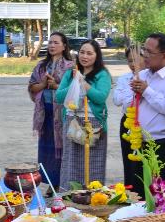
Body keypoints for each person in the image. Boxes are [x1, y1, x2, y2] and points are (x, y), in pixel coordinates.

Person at [55, 40, 112, 189]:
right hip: (72, 122)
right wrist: (74, 81)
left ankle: (93, 195)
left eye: (89, 53)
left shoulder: (102, 74)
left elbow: (100, 98)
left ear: (96, 55)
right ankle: (70, 195)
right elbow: (59, 97)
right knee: (71, 160)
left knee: (93, 163)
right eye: (82, 52)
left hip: (93, 125)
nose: (84, 56)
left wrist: (84, 83)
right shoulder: (70, 73)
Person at [130, 33, 165, 183]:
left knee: (161, 196)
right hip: (140, 142)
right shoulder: (142, 75)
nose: (144, 55)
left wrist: (147, 91)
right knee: (139, 194)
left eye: (149, 52)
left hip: (164, 144)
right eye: (144, 51)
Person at [28, 32, 74, 191]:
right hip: (45, 113)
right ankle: (48, 181)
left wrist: (56, 85)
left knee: (61, 149)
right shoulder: (41, 66)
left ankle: (59, 182)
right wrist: (43, 83)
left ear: (64, 46)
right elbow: (32, 87)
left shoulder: (71, 66)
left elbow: (74, 90)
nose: (52, 45)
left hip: (62, 115)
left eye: (56, 42)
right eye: (50, 42)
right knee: (46, 150)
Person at [112, 47, 140, 195]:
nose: (133, 64)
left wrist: (128, 94)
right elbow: (117, 100)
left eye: (137, 60)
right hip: (127, 120)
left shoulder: (149, 78)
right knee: (129, 161)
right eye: (130, 61)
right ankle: (130, 194)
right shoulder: (124, 78)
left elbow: (129, 100)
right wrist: (132, 92)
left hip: (143, 122)